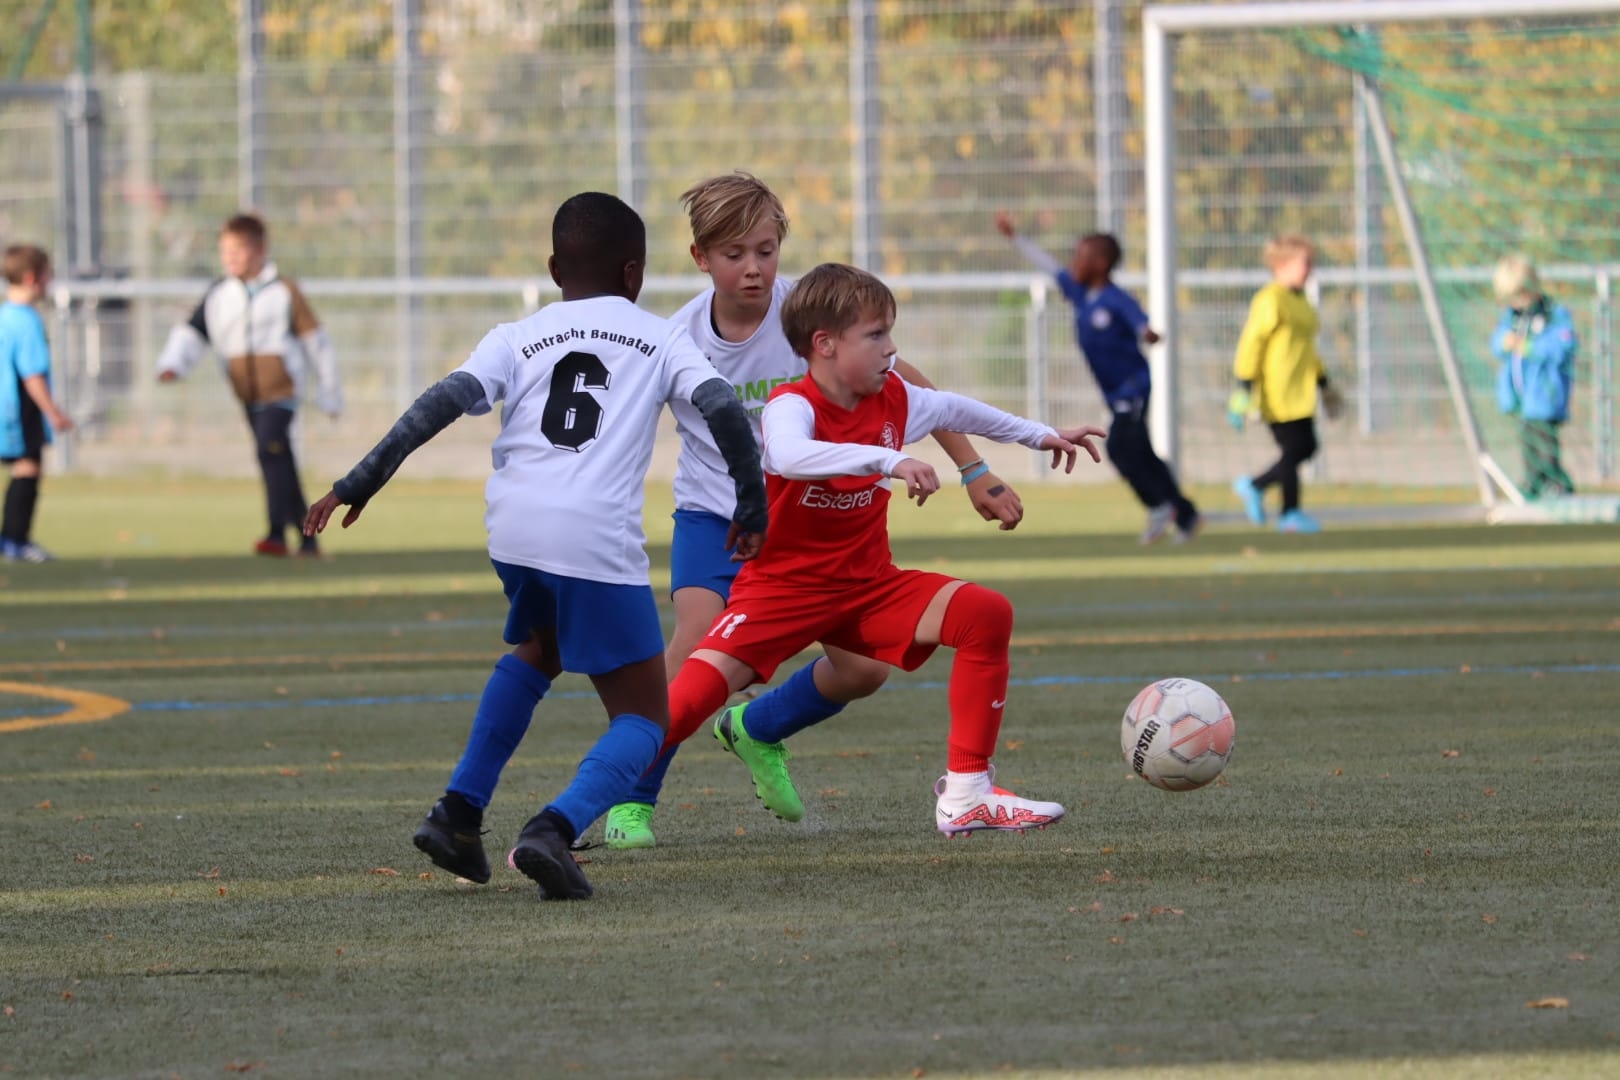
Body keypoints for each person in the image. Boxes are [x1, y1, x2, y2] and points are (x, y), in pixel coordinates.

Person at [304, 192, 767, 901]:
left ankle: (458, 813)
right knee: (647, 718)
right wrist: (752, 505)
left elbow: (440, 401)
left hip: (514, 530)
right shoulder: (662, 337)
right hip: (592, 539)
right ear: (635, 272)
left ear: (555, 269)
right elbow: (722, 408)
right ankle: (555, 828)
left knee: (540, 649)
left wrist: (359, 482)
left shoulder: (516, 335)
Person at [600, 172, 1027, 849]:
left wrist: (973, 469)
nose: (754, 268)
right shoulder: (676, 339)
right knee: (696, 643)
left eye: (766, 251)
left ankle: (757, 728)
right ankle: (630, 800)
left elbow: (908, 387)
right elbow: (623, 426)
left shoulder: (810, 314)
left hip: (805, 525)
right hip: (716, 518)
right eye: (735, 254)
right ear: (701, 258)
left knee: (863, 671)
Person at [650, 262, 1106, 837]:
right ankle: (581, 811)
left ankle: (967, 793)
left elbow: (955, 407)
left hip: (863, 585)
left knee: (983, 614)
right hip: (781, 586)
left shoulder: (891, 397)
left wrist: (1039, 435)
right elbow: (787, 454)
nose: (892, 348)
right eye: (877, 335)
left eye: (889, 332)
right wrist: (891, 460)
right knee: (683, 701)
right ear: (825, 345)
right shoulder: (790, 403)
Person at [995, 212, 1199, 544]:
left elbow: (1141, 325)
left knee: (1119, 447)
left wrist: (1148, 334)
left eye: (1081, 257)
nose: (1074, 263)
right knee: (1142, 453)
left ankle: (1159, 506)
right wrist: (1015, 238)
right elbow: (1049, 267)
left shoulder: (1117, 300)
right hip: (1116, 392)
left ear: (1101, 264)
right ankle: (1186, 514)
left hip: (1133, 389)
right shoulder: (1079, 294)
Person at [157, 213, 342, 557]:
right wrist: (172, 364)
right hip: (247, 393)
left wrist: (329, 392)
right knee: (278, 460)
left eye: (237, 251)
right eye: (225, 251)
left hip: (282, 392)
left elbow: (317, 342)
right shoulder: (219, 293)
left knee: (269, 450)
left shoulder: (284, 291)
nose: (229, 258)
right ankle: (307, 536)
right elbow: (192, 333)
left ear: (259, 250)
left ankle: (276, 533)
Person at [1228, 234, 1343, 533]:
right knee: (1296, 449)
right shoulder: (1270, 299)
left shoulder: (1301, 301)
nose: (1310, 269)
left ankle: (1265, 493)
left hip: (1301, 392)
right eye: (1305, 263)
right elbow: (1252, 343)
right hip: (1277, 391)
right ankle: (1281, 506)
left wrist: (1324, 383)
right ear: (1281, 264)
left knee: (1304, 448)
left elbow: (1307, 349)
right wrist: (1244, 386)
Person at [0, 245, 73, 563]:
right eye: (48, 275)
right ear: (32, 278)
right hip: (17, 408)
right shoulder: (27, 320)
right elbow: (32, 375)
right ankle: (15, 540)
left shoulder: (3, 314)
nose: (49, 282)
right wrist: (53, 412)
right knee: (28, 467)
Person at [1491, 254, 1577, 499]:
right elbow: (1497, 342)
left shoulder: (1552, 314)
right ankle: (1534, 482)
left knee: (1545, 444)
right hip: (1523, 399)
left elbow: (1563, 345)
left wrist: (1530, 347)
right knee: (1528, 443)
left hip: (1545, 396)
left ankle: (1557, 483)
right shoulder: (1512, 318)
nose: (1517, 302)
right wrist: (1505, 342)